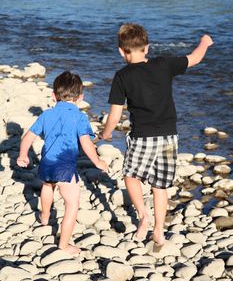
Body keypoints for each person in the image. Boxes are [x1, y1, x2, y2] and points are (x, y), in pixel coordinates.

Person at [99, 23, 213, 246]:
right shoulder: (164, 64)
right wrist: (205, 42)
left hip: (142, 137)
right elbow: (195, 58)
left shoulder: (121, 76)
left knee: (130, 176)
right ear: (147, 48)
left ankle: (143, 216)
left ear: (121, 51)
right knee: (159, 186)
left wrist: (106, 133)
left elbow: (114, 115)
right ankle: (159, 231)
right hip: (169, 136)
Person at [17, 71, 108, 255]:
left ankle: (44, 217)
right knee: (72, 204)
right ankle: (64, 244)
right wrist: (97, 161)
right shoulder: (80, 117)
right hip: (65, 167)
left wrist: (23, 155)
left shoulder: (46, 115)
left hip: (47, 163)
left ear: (53, 95)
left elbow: (28, 137)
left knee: (47, 186)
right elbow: (85, 143)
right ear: (81, 97)